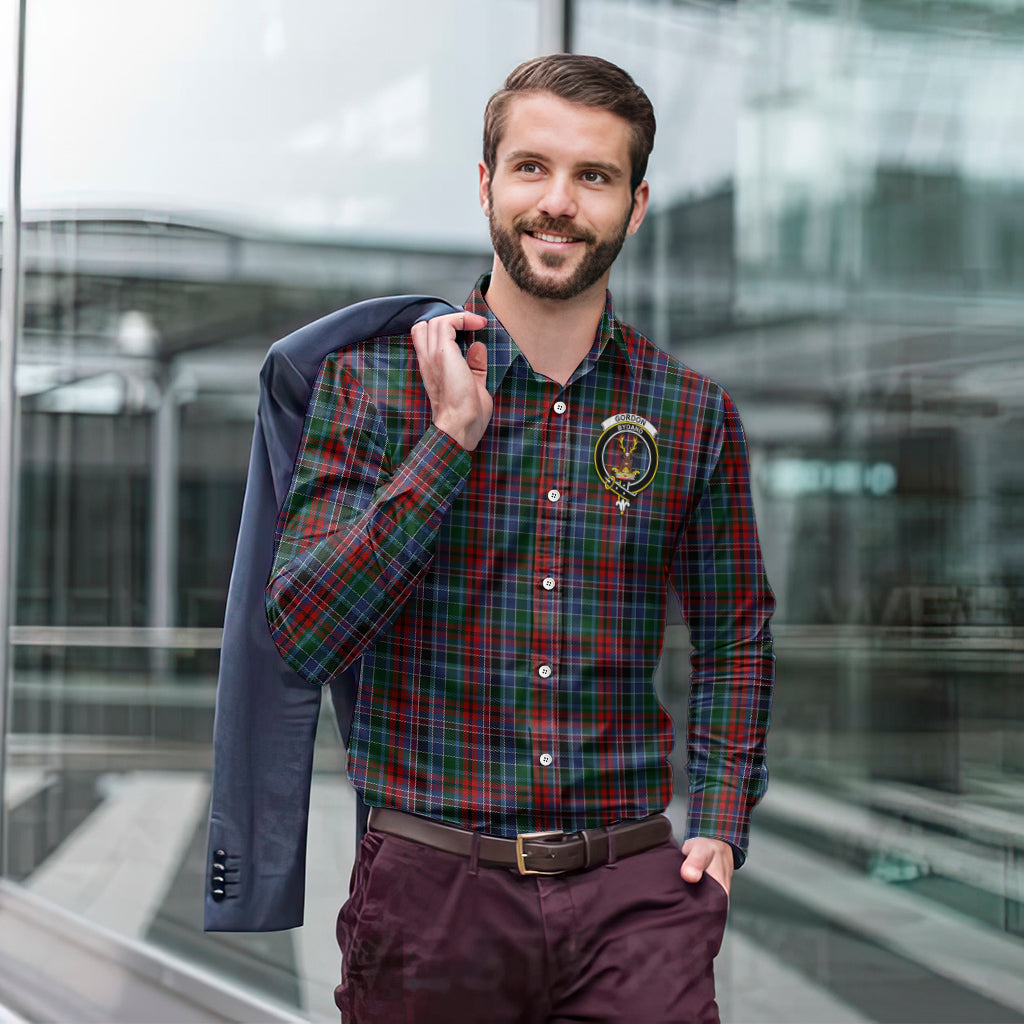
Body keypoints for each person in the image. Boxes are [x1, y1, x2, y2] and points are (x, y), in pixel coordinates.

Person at [265, 53, 775, 1023]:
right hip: (432, 896)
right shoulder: (373, 387)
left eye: (595, 176)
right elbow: (303, 632)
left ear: (636, 203)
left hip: (634, 899)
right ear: (486, 182)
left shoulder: (692, 413)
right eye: (533, 167)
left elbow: (735, 632)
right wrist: (449, 439)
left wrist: (717, 819)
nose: (559, 202)